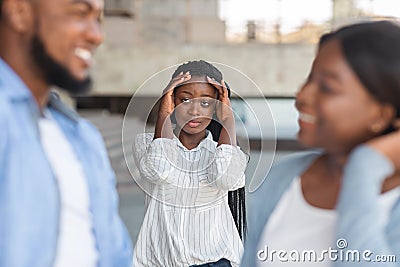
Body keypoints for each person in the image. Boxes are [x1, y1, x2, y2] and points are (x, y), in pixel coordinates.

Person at [241, 21, 400, 267]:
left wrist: (365, 166)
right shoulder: (282, 177)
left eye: (327, 87)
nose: (302, 96)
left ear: (382, 114)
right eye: (309, 79)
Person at [0, 0, 132, 266]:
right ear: (18, 10)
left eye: (99, 19)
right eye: (80, 13)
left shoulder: (84, 138)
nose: (97, 35)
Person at [133, 60, 248, 267]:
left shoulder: (228, 154)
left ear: (216, 108)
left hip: (216, 263)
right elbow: (159, 170)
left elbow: (223, 177)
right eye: (185, 100)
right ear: (172, 102)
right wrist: (163, 114)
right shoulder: (146, 145)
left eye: (205, 103)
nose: (195, 111)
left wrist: (228, 120)